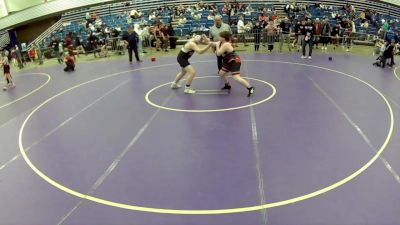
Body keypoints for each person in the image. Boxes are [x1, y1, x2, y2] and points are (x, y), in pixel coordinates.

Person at [215, 31, 254, 97]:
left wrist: (216, 45)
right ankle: (227, 85)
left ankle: (250, 87)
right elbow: (215, 48)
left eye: (220, 36)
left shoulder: (225, 44)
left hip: (234, 61)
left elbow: (218, 54)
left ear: (223, 38)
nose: (218, 37)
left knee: (236, 78)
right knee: (221, 73)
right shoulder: (223, 43)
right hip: (228, 61)